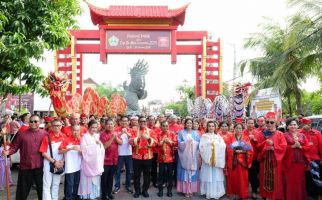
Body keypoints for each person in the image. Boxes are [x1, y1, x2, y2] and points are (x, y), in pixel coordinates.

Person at [3, 114, 47, 200]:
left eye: (36, 121)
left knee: (42, 190)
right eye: (31, 121)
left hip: (40, 167)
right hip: (25, 167)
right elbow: (14, 147)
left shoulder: (45, 134)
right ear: (28, 122)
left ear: (40, 122)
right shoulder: (22, 134)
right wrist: (8, 152)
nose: (33, 123)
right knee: (22, 191)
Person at [256, 112, 287, 200]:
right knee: (263, 179)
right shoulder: (261, 134)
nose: (269, 124)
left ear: (276, 123)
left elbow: (284, 147)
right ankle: (265, 196)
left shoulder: (280, 134)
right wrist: (265, 144)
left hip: (275, 161)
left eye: (271, 122)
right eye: (267, 122)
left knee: (275, 180)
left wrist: (274, 145)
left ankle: (274, 197)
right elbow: (258, 146)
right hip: (264, 161)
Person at [129, 116, 157, 198]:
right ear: (138, 122)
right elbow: (130, 141)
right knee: (136, 176)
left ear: (147, 122)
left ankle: (145, 190)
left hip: (148, 157)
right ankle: (137, 191)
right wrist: (137, 138)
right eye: (141, 121)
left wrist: (149, 139)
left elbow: (155, 142)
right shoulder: (134, 131)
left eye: (144, 121)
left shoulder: (151, 131)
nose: (142, 123)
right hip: (136, 157)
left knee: (147, 175)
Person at [283, 118, 310, 200]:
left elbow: (308, 147)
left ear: (297, 126)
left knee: (299, 181)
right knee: (289, 181)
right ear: (287, 126)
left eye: (294, 124)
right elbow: (281, 148)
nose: (293, 126)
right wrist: (292, 146)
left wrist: (300, 146)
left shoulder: (302, 135)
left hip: (300, 162)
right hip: (288, 163)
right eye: (291, 125)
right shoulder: (284, 135)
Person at [78, 120, 105, 200]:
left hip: (96, 163)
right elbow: (83, 150)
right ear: (88, 127)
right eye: (92, 127)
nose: (94, 129)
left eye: (96, 127)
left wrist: (99, 145)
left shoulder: (96, 136)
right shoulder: (84, 137)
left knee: (95, 179)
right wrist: (94, 146)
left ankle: (94, 195)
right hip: (87, 162)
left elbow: (101, 148)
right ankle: (87, 196)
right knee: (87, 180)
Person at [39, 119, 65, 200]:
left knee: (56, 184)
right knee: (47, 185)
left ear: (61, 126)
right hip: (48, 163)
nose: (56, 127)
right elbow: (43, 152)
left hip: (59, 164)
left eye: (58, 125)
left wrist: (62, 162)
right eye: (54, 126)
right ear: (51, 127)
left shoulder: (64, 137)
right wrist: (54, 162)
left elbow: (65, 151)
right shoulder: (47, 137)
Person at [199, 121, 226, 199]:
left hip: (216, 160)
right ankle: (208, 192)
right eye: (209, 126)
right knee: (208, 175)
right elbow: (201, 147)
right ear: (207, 127)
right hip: (208, 160)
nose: (211, 127)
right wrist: (209, 145)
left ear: (215, 127)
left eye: (212, 126)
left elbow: (223, 146)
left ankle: (217, 192)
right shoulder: (204, 136)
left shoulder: (218, 136)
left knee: (216, 175)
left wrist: (216, 145)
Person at [227, 123, 253, 199]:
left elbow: (250, 150)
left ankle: (242, 193)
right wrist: (234, 152)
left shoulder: (246, 138)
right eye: (237, 128)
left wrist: (243, 151)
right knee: (233, 178)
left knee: (243, 179)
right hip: (233, 161)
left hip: (243, 161)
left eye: (240, 128)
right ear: (234, 129)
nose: (238, 130)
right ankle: (234, 193)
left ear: (242, 130)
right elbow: (228, 149)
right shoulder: (230, 137)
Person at [177, 118, 200, 198]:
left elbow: (199, 144)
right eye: (188, 123)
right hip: (184, 157)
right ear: (185, 124)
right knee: (185, 173)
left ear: (192, 124)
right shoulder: (181, 133)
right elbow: (179, 143)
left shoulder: (196, 133)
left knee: (192, 172)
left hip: (193, 156)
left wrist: (193, 143)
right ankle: (185, 190)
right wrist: (186, 143)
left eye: (190, 123)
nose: (189, 125)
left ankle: (192, 190)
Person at [100, 118, 123, 200]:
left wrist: (116, 137)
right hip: (105, 161)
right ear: (105, 125)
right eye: (108, 124)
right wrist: (112, 138)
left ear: (114, 125)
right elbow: (104, 146)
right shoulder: (102, 134)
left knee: (111, 178)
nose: (110, 125)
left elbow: (121, 143)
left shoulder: (116, 133)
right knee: (104, 179)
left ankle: (109, 193)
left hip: (114, 160)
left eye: (111, 124)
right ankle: (104, 195)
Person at [300, 118, 322, 200]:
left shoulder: (317, 133)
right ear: (301, 124)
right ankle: (310, 194)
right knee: (307, 178)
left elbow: (321, 146)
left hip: (314, 159)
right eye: (304, 124)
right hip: (303, 160)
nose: (306, 126)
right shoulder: (299, 133)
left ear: (310, 124)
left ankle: (319, 194)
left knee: (317, 178)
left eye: (308, 124)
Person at [59, 124, 82, 200]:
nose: (76, 132)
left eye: (77, 130)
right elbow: (60, 151)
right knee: (69, 183)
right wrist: (70, 148)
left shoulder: (81, 140)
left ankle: (75, 196)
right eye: (74, 130)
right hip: (69, 166)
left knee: (77, 183)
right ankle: (67, 197)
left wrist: (82, 151)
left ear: (80, 131)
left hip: (79, 166)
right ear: (71, 131)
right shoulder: (66, 140)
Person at [113, 116, 134, 194]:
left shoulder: (131, 130)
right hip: (119, 154)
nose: (124, 122)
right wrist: (121, 133)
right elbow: (114, 140)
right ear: (120, 122)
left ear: (129, 122)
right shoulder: (116, 130)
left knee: (129, 171)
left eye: (126, 121)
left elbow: (133, 141)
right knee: (117, 171)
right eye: (123, 121)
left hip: (129, 153)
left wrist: (128, 134)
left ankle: (128, 186)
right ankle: (117, 186)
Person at [157, 121, 177, 197]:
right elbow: (157, 144)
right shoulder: (159, 134)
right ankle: (160, 190)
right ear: (161, 127)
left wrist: (168, 141)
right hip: (161, 158)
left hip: (170, 158)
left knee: (169, 175)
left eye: (166, 126)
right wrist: (162, 141)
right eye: (163, 126)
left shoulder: (172, 133)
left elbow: (175, 143)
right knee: (161, 175)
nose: (165, 127)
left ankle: (169, 190)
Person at [243, 118, 260, 199]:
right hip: (244, 157)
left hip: (254, 157)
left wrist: (255, 140)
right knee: (245, 175)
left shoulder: (257, 133)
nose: (250, 124)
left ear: (254, 124)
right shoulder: (243, 132)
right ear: (246, 124)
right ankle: (243, 191)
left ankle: (254, 190)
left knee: (253, 175)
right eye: (249, 123)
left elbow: (260, 145)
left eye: (252, 123)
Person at [147, 115, 161, 188]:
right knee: (147, 168)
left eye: (152, 119)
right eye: (150, 119)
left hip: (155, 151)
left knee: (154, 167)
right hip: (147, 151)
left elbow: (159, 139)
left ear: (154, 120)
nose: (151, 121)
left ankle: (155, 181)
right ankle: (148, 181)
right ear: (148, 120)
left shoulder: (158, 129)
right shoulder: (145, 129)